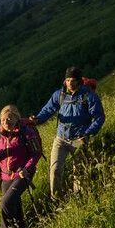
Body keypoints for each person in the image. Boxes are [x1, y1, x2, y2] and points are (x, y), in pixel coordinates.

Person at [37, 66, 105, 199]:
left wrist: (88, 133)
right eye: (67, 80)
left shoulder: (88, 95)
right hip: (61, 138)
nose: (70, 83)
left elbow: (99, 117)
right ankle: (56, 199)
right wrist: (37, 119)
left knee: (80, 172)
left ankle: (79, 199)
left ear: (79, 81)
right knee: (55, 169)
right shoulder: (60, 95)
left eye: (73, 80)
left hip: (79, 139)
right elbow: (48, 110)